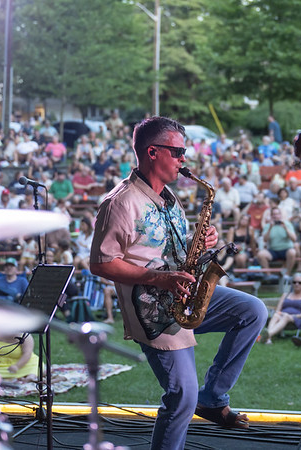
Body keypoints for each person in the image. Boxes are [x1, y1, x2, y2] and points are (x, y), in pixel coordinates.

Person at [89, 116, 267, 449]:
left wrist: (200, 241)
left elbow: (167, 245)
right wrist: (159, 278)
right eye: (178, 152)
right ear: (153, 152)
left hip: (182, 292)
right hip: (153, 310)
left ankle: (213, 398)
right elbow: (100, 263)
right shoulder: (120, 203)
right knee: (182, 398)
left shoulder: (170, 197)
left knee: (252, 311)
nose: (184, 159)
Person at [263, 273, 301, 344]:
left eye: (300, 283)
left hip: (298, 319)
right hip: (282, 315)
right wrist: (280, 313)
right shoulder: (285, 295)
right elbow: (278, 309)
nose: (297, 284)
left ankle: (268, 334)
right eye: (294, 282)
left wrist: (292, 316)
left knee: (286, 317)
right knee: (276, 315)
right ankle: (268, 339)